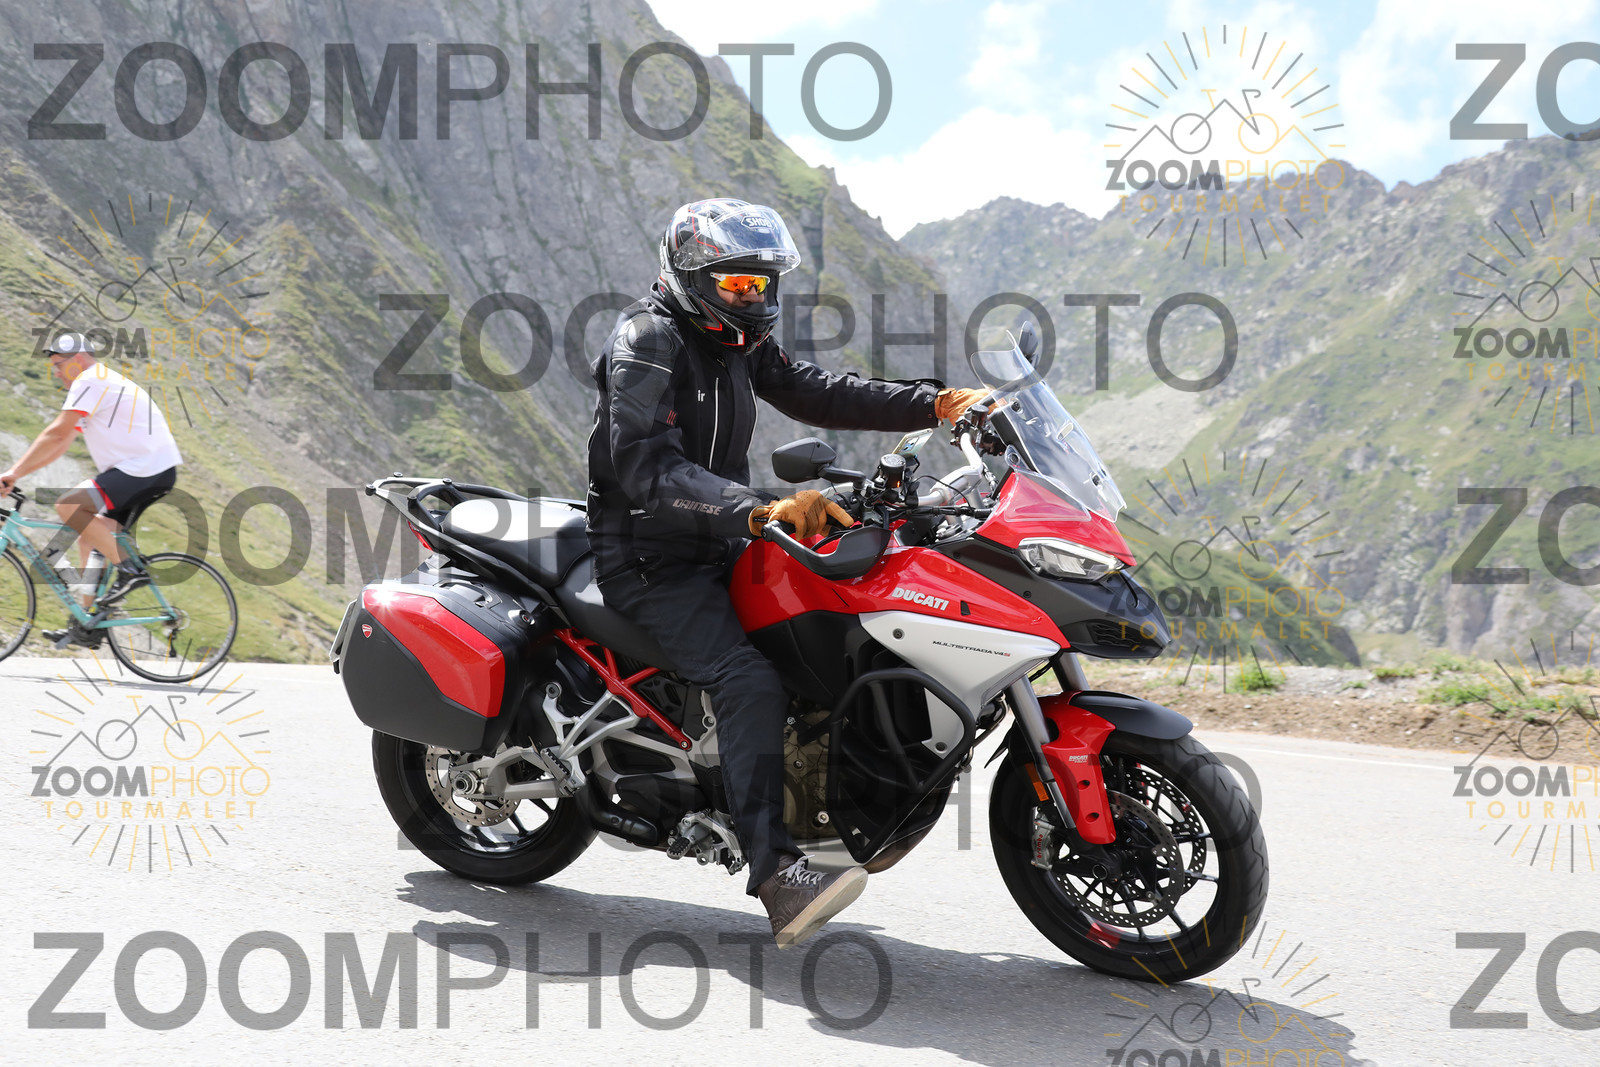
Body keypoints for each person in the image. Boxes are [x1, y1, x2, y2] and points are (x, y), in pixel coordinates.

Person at [587, 198, 985, 947]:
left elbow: (815, 390)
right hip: (647, 555)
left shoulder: (736, 341)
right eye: (738, 284)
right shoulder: (648, 340)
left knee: (827, 630)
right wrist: (759, 509)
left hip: (719, 538)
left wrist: (933, 403)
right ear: (691, 275)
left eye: (763, 284)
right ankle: (775, 871)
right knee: (746, 678)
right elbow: (645, 467)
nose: (753, 298)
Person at [0, 331, 182, 648]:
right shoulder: (96, 383)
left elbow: (56, 434)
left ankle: (131, 571)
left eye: (59, 365)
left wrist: (13, 473)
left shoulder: (91, 380)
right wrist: (20, 475)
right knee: (90, 536)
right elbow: (62, 444)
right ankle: (88, 624)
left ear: (79, 359)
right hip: (145, 470)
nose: (56, 373)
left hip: (145, 469)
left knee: (69, 505)